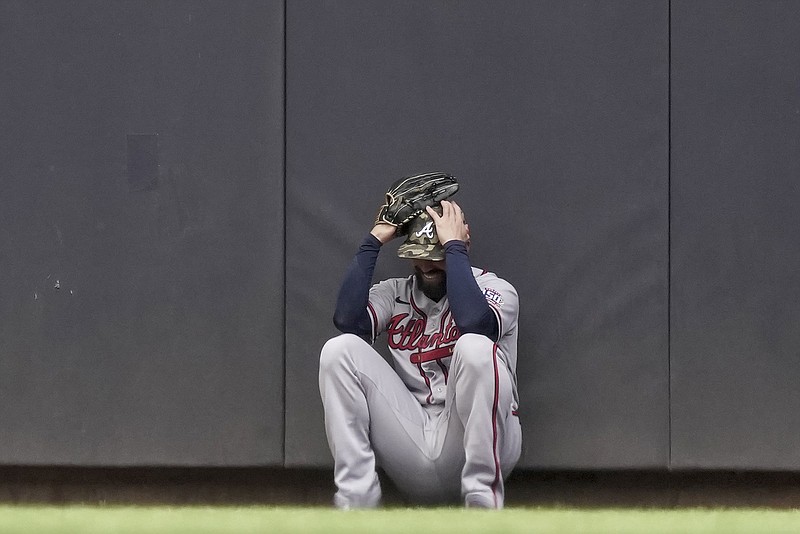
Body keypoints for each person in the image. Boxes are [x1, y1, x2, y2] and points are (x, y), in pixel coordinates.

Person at [319, 195, 522, 509]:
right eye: (420, 254)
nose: (427, 264)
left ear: (463, 242)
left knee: (475, 346)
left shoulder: (497, 289)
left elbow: (475, 323)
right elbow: (347, 320)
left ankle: (483, 502)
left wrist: (453, 246)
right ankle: (355, 504)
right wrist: (373, 241)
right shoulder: (395, 292)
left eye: (436, 253)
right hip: (412, 438)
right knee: (339, 350)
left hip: (473, 441)